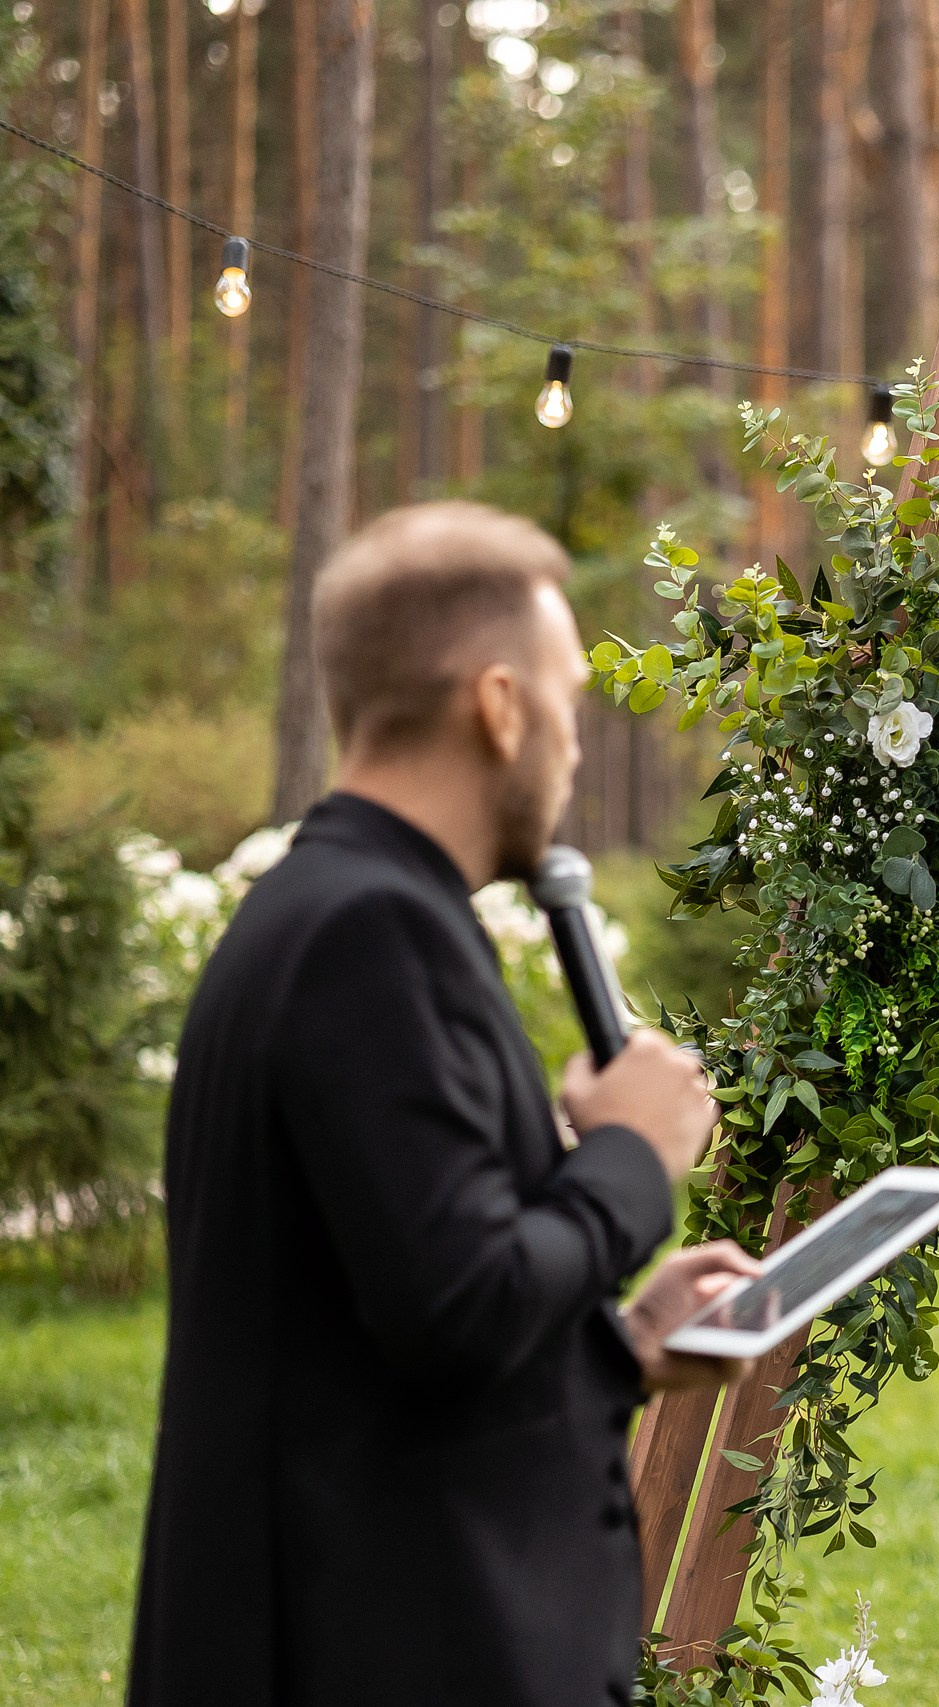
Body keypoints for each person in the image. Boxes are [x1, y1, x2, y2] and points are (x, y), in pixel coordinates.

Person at [128, 502, 759, 1707]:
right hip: (380, 1643)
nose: (573, 748)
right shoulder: (371, 931)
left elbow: (404, 1311)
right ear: (500, 703)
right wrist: (633, 1155)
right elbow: (461, 1306)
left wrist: (621, 1349)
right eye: (569, 702)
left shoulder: (331, 906)